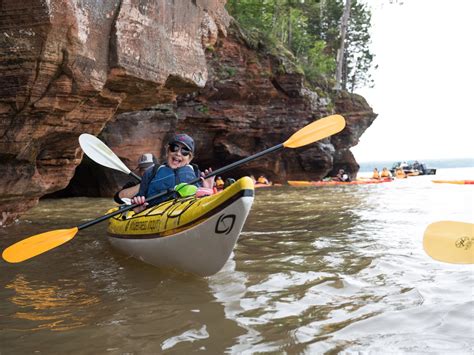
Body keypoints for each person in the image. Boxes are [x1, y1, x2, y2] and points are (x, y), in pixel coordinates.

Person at [131, 134, 215, 213]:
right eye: (174, 148)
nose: (178, 153)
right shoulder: (151, 172)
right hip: (156, 214)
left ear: (189, 158)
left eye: (184, 151)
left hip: (187, 210)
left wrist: (207, 188)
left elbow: (203, 201)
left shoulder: (196, 173)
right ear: (168, 151)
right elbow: (139, 198)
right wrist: (138, 205)